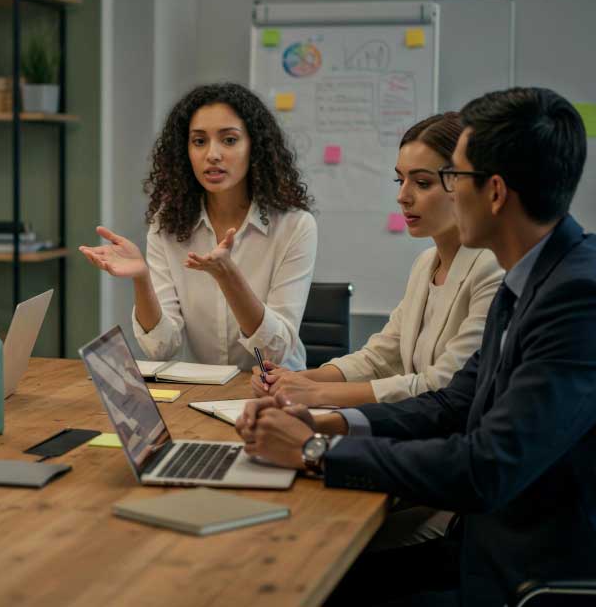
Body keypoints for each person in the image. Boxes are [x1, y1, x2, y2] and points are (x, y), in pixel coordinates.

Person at [235, 87, 596, 606]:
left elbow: (484, 467)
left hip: (525, 576)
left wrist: (316, 452)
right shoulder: (533, 274)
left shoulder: (576, 296)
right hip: (483, 542)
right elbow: (454, 402)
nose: (423, 193)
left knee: (305, 576)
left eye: (451, 178)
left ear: (494, 192)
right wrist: (323, 424)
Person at [252, 113, 503, 409]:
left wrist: (314, 393)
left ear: (466, 184)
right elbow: (380, 358)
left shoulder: (492, 268)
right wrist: (295, 379)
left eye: (422, 183)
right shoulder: (425, 264)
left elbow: (442, 384)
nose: (402, 196)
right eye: (400, 179)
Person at [80, 83, 317, 371]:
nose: (212, 154)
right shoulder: (167, 224)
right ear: (185, 150)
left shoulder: (294, 226)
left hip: (276, 392)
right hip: (200, 393)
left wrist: (228, 277)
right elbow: (161, 348)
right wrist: (142, 279)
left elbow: (273, 352)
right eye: (199, 141)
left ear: (254, 147)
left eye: (229, 140)